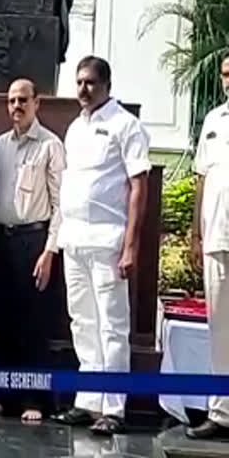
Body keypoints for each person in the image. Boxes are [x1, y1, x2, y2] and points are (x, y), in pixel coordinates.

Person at [52, 56, 150, 435]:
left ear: (106, 85)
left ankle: (114, 407)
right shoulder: (75, 128)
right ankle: (89, 400)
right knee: (83, 323)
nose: (83, 89)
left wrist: (130, 246)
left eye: (90, 83)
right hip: (75, 240)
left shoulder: (126, 126)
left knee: (112, 326)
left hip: (108, 241)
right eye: (79, 82)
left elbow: (138, 186)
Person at [0, 78, 65, 423]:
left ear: (37, 103)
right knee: (5, 322)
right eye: (12, 101)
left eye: (23, 100)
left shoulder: (50, 146)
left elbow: (61, 203)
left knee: (34, 325)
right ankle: (4, 395)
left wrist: (50, 251)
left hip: (36, 242)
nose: (17, 106)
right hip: (3, 241)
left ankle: (34, 399)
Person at [186, 52, 229, 440]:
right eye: (225, 74)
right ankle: (221, 412)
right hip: (217, 238)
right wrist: (196, 233)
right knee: (220, 328)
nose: (228, 80)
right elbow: (201, 178)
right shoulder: (214, 120)